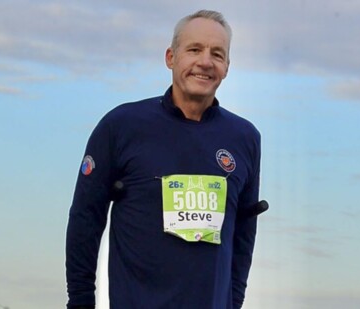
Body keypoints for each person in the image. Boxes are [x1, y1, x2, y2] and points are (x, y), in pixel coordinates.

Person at [66, 9, 262, 309]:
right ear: (171, 57)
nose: (205, 62)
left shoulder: (244, 138)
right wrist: (80, 303)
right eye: (194, 49)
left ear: (227, 67)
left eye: (217, 54)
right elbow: (85, 219)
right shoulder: (121, 126)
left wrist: (233, 303)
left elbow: (243, 238)